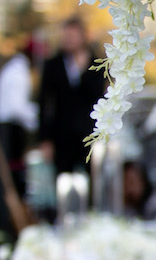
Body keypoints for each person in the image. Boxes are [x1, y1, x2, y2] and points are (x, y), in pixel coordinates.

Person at [38, 16, 104, 174]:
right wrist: (44, 139)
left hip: (89, 133)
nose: (68, 40)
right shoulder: (52, 64)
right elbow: (44, 102)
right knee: (62, 179)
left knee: (91, 180)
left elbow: (97, 95)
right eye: (65, 36)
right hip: (61, 136)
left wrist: (82, 72)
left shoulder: (97, 64)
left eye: (72, 36)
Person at [0, 38, 38, 199]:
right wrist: (35, 118)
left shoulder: (14, 68)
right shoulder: (19, 73)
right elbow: (17, 107)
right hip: (10, 128)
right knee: (11, 174)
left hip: (9, 126)